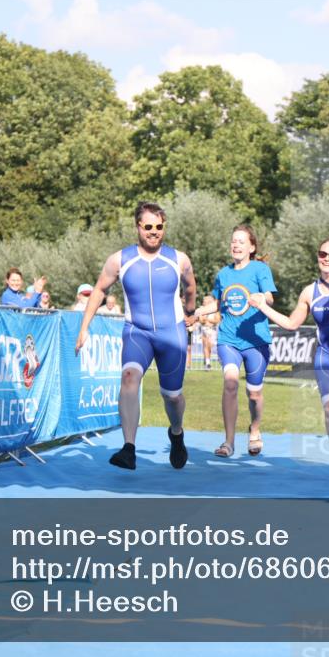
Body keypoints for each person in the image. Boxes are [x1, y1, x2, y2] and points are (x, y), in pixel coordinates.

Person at [76, 202, 197, 471]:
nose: (154, 232)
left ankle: (176, 434)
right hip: (137, 332)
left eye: (159, 227)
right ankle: (129, 448)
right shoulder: (120, 259)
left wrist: (190, 311)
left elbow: (190, 286)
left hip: (172, 333)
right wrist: (84, 328)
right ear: (138, 227)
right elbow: (98, 291)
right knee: (129, 378)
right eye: (148, 226)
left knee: (173, 397)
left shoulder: (179, 259)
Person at [249, 238, 329, 482]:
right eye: (322, 254)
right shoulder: (309, 292)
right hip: (326, 359)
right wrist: (263, 307)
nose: (327, 258)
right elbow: (291, 324)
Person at [197, 224, 277, 458]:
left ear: (251, 247)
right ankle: (228, 443)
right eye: (233, 241)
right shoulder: (224, 274)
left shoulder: (260, 269)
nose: (236, 245)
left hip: (256, 341)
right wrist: (197, 313)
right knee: (230, 383)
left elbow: (270, 298)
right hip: (228, 339)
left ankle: (254, 429)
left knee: (254, 394)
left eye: (241, 241)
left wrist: (261, 297)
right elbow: (218, 303)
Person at [198, 295, 219, 369]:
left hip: (212, 330)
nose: (205, 302)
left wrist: (208, 320)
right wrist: (206, 318)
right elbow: (201, 320)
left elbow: (217, 320)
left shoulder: (215, 310)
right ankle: (207, 363)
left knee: (210, 346)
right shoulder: (202, 309)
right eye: (204, 301)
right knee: (206, 345)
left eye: (207, 301)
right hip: (204, 329)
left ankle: (207, 360)